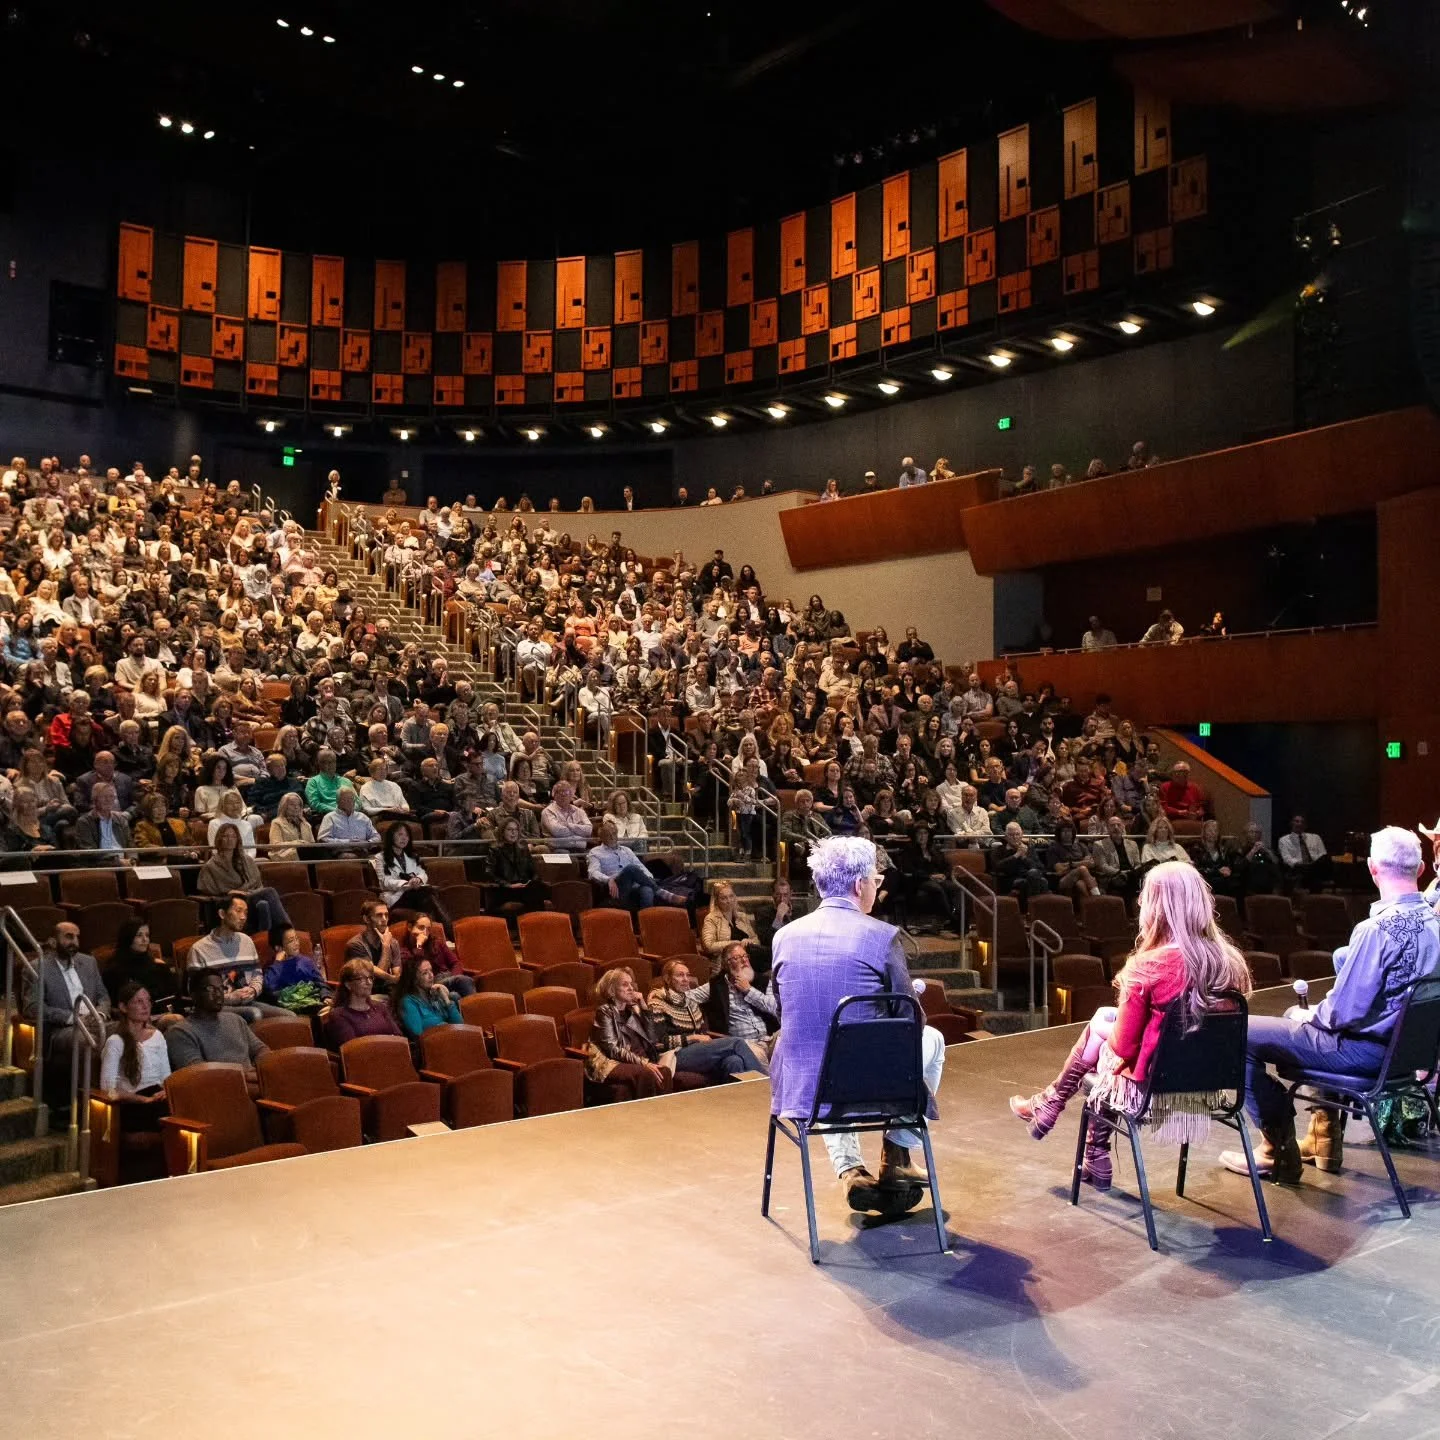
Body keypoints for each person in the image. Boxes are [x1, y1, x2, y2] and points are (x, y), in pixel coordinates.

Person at [1010, 861, 1252, 1190]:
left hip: (1155, 1089)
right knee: (1102, 1020)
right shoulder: (1230, 962)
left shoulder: (1147, 965)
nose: (1139, 903)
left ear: (1159, 907)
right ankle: (1077, 1135)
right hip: (1208, 1085)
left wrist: (1103, 1033)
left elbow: (1122, 1048)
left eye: (1145, 897)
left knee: (1098, 1033)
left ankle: (1056, 1108)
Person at [1219, 827, 1440, 1183]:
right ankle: (1323, 1140)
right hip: (1407, 1058)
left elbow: (1340, 1014)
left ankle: (1275, 1150)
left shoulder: (1376, 930)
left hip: (1365, 1055)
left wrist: (1306, 1015)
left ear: (1372, 868)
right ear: (1419, 869)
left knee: (1237, 1031)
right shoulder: (1436, 924)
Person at [769, 835, 944, 1215]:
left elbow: (786, 1009)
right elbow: (910, 1020)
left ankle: (849, 1170)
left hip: (805, 1088)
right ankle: (897, 1151)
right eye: (876, 882)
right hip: (869, 1088)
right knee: (931, 1038)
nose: (876, 889)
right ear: (858, 884)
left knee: (826, 1047)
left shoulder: (783, 937)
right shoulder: (881, 937)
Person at [585, 966, 707, 1100]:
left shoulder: (633, 1010)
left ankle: (665, 1113)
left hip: (634, 1059)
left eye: (631, 984)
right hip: (610, 1062)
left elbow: (653, 1039)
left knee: (663, 1071)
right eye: (625, 985)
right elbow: (613, 1049)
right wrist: (644, 1063)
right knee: (648, 1073)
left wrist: (644, 1008)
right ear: (611, 990)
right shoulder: (605, 1011)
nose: (631, 988)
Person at [647, 958, 771, 1082]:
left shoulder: (690, 1002)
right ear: (668, 979)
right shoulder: (657, 1003)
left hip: (698, 1051)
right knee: (736, 1043)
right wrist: (693, 1038)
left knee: (734, 1061)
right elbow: (659, 1043)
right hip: (674, 1055)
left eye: (687, 975)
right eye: (680, 975)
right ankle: (766, 1085)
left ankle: (737, 1099)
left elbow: (703, 1033)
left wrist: (700, 1039)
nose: (685, 979)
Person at [24, 922, 110, 1080]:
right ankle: (88, 1096)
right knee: (86, 1042)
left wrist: (99, 1015)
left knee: (130, 1032)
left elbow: (103, 995)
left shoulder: (89, 962)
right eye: (69, 937)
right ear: (52, 941)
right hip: (63, 1028)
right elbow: (33, 1007)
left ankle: (119, 1091)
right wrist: (73, 1018)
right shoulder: (37, 968)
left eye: (77, 937)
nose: (75, 942)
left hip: (95, 1021)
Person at [186, 892, 290, 1022]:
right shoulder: (200, 949)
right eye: (238, 911)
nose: (243, 917)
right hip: (218, 1007)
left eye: (246, 913)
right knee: (254, 1014)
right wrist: (230, 997)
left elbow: (257, 974)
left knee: (290, 1017)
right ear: (222, 914)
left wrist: (253, 990)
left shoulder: (246, 941)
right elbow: (196, 993)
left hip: (248, 1001)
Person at [686, 941, 778, 1064]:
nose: (744, 961)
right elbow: (688, 997)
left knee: (791, 1036)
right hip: (745, 1043)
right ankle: (767, 1083)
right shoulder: (716, 986)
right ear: (726, 964)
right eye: (737, 958)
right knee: (756, 1055)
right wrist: (662, 994)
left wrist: (749, 991)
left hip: (769, 1038)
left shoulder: (763, 981)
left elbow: (775, 1008)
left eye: (745, 956)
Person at [166, 969, 268, 1079]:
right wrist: (246, 1076)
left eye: (221, 989)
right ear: (193, 994)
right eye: (210, 989)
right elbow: (200, 1075)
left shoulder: (236, 1020)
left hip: (254, 1083)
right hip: (220, 1089)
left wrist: (263, 1070)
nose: (218, 994)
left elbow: (260, 1050)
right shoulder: (180, 1032)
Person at [197, 823, 294, 935]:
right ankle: (288, 932)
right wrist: (229, 892)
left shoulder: (247, 860)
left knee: (263, 904)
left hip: (251, 896)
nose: (230, 839)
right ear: (219, 839)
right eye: (226, 836)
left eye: (233, 836)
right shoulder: (211, 865)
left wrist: (249, 892)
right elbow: (207, 889)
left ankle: (266, 942)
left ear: (238, 839)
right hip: (233, 901)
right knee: (270, 892)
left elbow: (258, 884)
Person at [98, 982, 172, 1095]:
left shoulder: (157, 1036)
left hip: (159, 1096)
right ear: (123, 1007)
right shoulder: (115, 1041)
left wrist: (164, 1092)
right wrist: (142, 1100)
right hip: (133, 1102)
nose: (146, 1006)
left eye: (148, 1000)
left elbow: (166, 1077)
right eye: (139, 1001)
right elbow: (107, 1089)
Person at [372, 821, 452, 925]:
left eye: (406, 835)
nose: (404, 838)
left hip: (415, 894)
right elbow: (384, 882)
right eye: (400, 834)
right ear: (391, 836)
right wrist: (406, 884)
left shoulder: (412, 856)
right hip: (397, 897)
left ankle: (428, 929)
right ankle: (448, 930)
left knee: (425, 896)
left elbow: (423, 873)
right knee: (427, 894)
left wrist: (418, 879)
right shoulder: (380, 858)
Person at [586, 817, 664, 910]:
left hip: (634, 885)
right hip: (617, 887)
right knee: (630, 868)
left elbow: (640, 866)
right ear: (601, 837)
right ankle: (662, 892)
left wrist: (649, 879)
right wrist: (608, 879)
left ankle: (644, 922)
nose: (612, 837)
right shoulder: (595, 852)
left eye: (614, 833)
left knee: (647, 890)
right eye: (608, 835)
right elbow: (592, 872)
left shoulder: (626, 850)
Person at [324, 959, 405, 1046]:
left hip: (391, 1054)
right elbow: (353, 1049)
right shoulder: (339, 1015)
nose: (369, 982)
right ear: (348, 985)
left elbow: (399, 1037)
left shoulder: (380, 1007)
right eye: (361, 979)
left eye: (370, 977)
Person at [102, 918, 176, 1008]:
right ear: (128, 938)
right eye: (139, 935)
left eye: (147, 935)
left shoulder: (158, 966)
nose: (145, 940)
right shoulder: (114, 970)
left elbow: (171, 996)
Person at [400, 913, 475, 997]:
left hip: (449, 977)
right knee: (464, 983)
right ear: (410, 927)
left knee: (455, 994)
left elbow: (455, 963)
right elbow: (415, 972)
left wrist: (454, 978)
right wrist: (419, 945)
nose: (425, 933)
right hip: (431, 983)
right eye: (421, 928)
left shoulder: (437, 943)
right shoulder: (404, 951)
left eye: (428, 929)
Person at [389, 952, 462, 1039]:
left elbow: (459, 1025)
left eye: (431, 970)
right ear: (414, 979)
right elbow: (417, 1034)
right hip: (432, 1046)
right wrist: (441, 1028)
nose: (431, 975)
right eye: (425, 973)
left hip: (450, 1040)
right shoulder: (408, 1002)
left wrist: (447, 1000)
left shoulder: (436, 995)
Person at [488, 815, 546, 910]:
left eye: (516, 830)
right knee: (534, 894)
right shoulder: (495, 850)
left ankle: (535, 920)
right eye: (510, 829)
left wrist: (530, 882)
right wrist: (508, 885)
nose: (513, 832)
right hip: (506, 889)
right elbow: (489, 874)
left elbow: (533, 871)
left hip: (524, 886)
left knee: (537, 887)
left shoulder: (523, 848)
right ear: (502, 832)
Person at [700, 880, 763, 964]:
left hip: (747, 958)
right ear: (717, 900)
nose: (729, 901)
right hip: (726, 962)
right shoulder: (711, 918)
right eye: (724, 898)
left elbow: (756, 940)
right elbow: (708, 946)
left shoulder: (742, 917)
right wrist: (734, 944)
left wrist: (748, 941)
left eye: (731, 896)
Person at [344, 900, 403, 987]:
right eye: (379, 915)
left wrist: (394, 978)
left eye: (386, 915)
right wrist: (386, 947)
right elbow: (373, 981)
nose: (384, 919)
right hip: (363, 993)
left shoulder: (393, 942)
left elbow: (397, 974)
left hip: (387, 993)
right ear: (366, 919)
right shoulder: (355, 945)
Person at [316, 786, 381, 851]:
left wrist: (367, 843)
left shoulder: (363, 817)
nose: (349, 802)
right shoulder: (329, 817)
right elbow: (323, 839)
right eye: (344, 799)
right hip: (342, 852)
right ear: (337, 801)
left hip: (363, 850)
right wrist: (348, 842)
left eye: (351, 799)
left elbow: (376, 836)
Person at [1278, 814, 1331, 891]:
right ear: (1291, 823)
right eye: (1297, 821)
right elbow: (1287, 858)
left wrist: (1313, 864)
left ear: (1305, 825)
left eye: (1302, 822)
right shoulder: (1284, 840)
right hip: (1298, 868)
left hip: (1315, 867)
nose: (1299, 824)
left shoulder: (1315, 837)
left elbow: (1323, 854)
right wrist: (1302, 865)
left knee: (1322, 864)